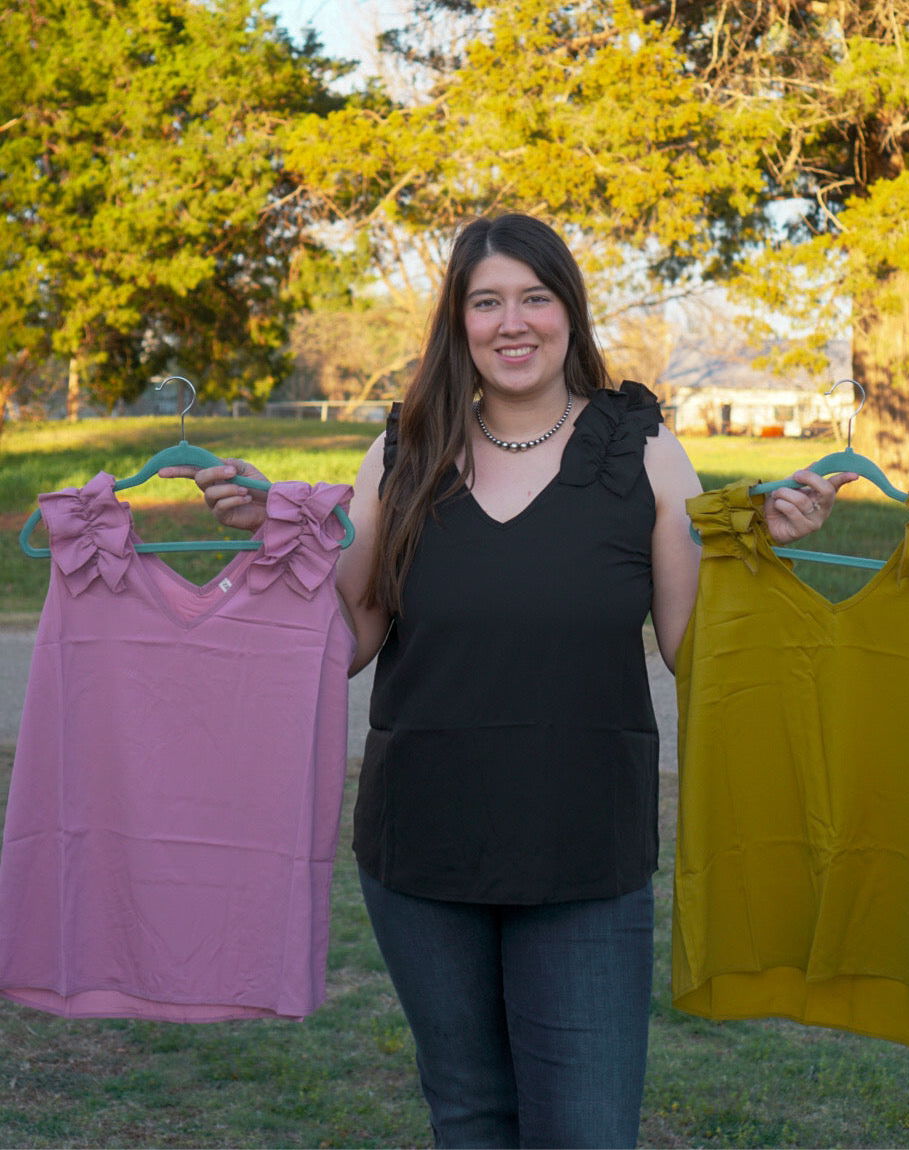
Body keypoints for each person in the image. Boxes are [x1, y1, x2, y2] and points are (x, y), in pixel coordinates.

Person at [163, 212, 853, 1149]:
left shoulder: (643, 449)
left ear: (569, 311)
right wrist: (277, 543)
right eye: (486, 301)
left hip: (582, 856)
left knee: (586, 1128)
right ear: (459, 321)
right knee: (472, 1117)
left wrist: (758, 558)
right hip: (422, 855)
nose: (511, 322)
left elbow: (694, 651)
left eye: (534, 296)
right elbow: (353, 634)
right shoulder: (399, 453)